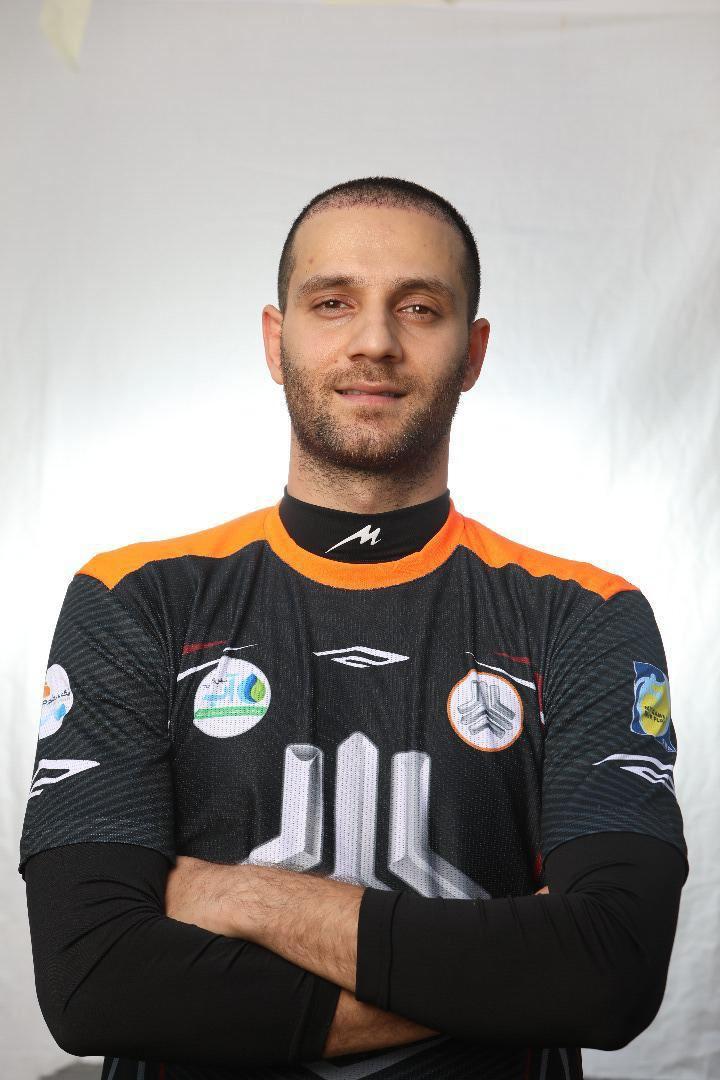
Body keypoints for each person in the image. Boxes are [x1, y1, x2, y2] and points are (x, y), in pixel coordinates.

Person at [19, 176, 688, 1080]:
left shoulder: (583, 614)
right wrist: (498, 982)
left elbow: (607, 974)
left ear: (473, 351)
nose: (375, 341)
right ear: (276, 340)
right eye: (333, 302)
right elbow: (95, 982)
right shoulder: (136, 599)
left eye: (419, 307)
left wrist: (246, 899)